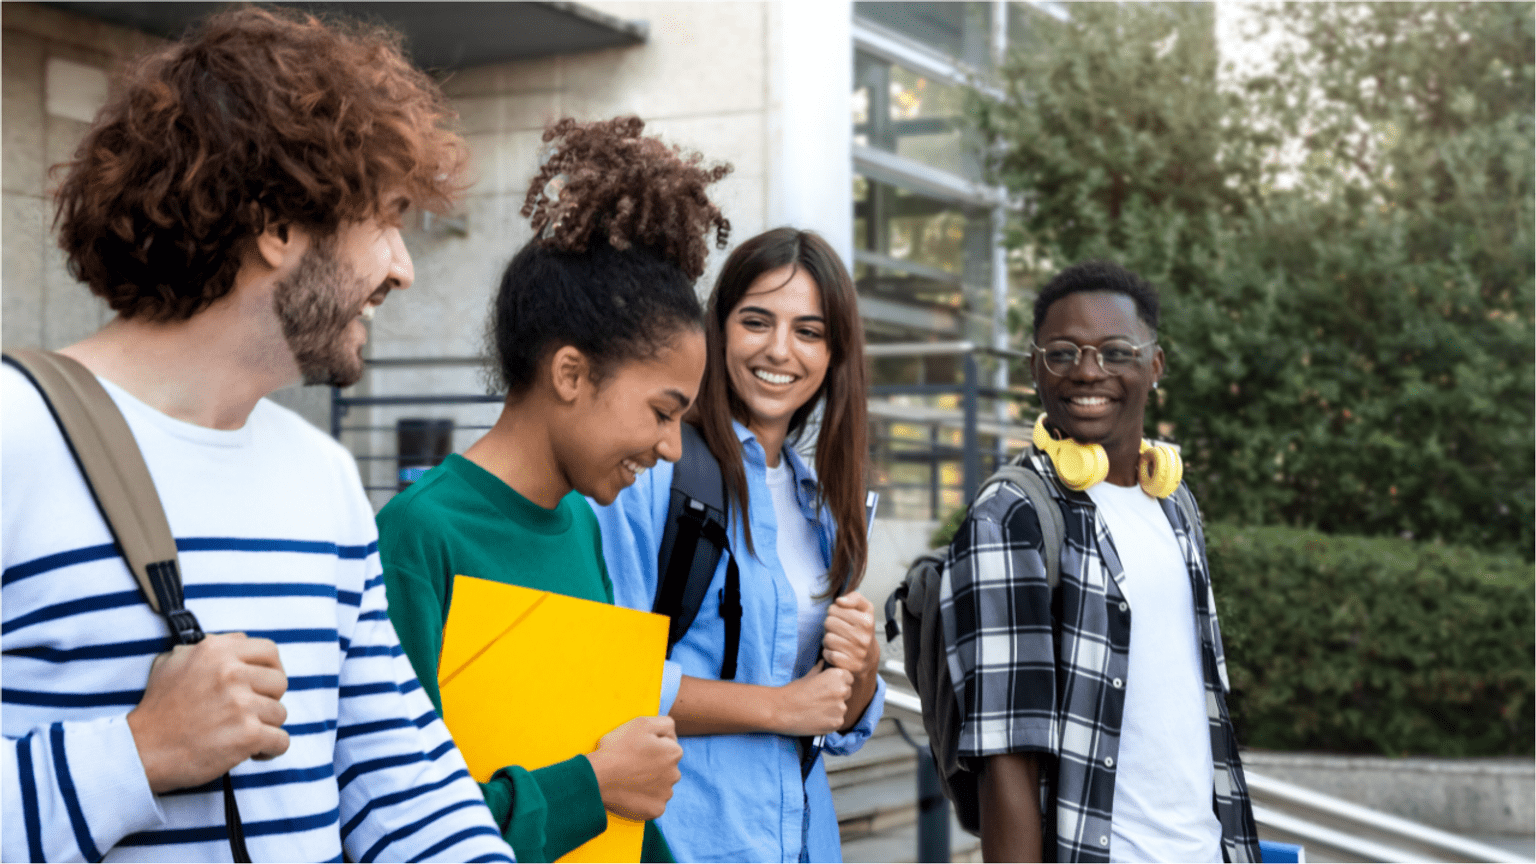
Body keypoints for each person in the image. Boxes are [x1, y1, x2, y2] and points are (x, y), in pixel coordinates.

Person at [0, 8, 517, 861]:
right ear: (278, 227)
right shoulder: (16, 434)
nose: (403, 266)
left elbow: (394, 771)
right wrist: (135, 753)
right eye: (386, 220)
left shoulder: (322, 476)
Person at [375, 116, 731, 863]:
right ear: (570, 374)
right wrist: (591, 788)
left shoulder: (579, 525)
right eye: (662, 412)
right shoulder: (418, 536)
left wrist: (613, 787)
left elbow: (620, 789)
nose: (671, 448)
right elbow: (397, 822)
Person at [941, 260, 1261, 863]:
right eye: (1062, 353)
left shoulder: (1173, 504)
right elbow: (1006, 751)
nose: (1089, 371)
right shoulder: (1014, 515)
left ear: (1154, 366)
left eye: (1115, 352)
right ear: (1036, 368)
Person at [592, 228, 886, 862]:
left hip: (802, 841)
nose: (780, 350)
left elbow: (835, 717)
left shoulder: (821, 503)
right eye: (757, 321)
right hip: (687, 837)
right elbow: (608, 677)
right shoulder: (656, 472)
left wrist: (861, 670)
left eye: (808, 332)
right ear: (718, 328)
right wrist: (779, 709)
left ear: (834, 353)